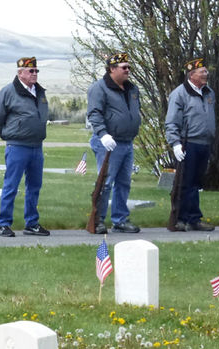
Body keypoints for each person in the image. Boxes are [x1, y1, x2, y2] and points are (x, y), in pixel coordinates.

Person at [0, 57, 50, 237]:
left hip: (36, 147)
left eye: (36, 71)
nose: (34, 74)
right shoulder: (8, 92)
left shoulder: (40, 92)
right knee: (11, 185)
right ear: (20, 73)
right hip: (17, 147)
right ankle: (4, 223)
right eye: (31, 71)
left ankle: (31, 223)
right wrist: (10, 136)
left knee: (34, 186)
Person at [87, 52, 142, 234]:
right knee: (106, 182)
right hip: (108, 142)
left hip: (126, 142)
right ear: (112, 69)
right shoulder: (99, 88)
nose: (128, 70)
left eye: (129, 67)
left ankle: (120, 219)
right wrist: (103, 134)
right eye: (124, 67)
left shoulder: (132, 89)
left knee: (124, 182)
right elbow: (94, 113)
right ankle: (98, 220)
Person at [165, 58, 216, 231]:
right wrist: (175, 143)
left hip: (204, 143)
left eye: (206, 71)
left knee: (196, 183)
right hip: (188, 143)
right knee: (184, 182)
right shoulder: (179, 94)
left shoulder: (209, 93)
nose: (206, 74)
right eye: (202, 71)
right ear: (192, 74)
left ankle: (193, 218)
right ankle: (179, 218)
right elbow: (171, 121)